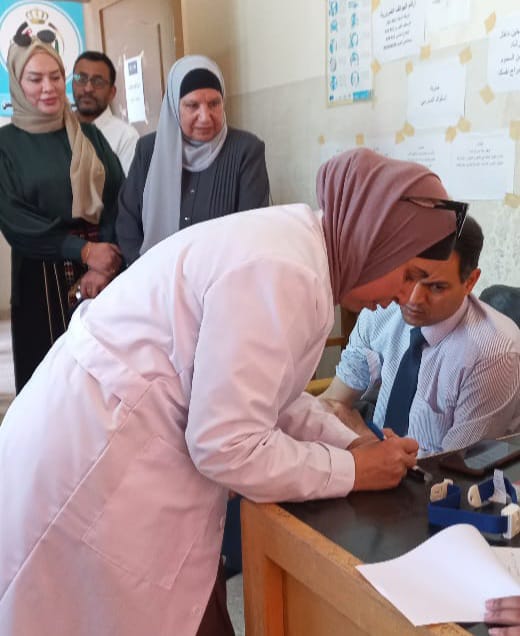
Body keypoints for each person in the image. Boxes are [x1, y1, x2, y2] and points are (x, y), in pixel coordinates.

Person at [0, 149, 462, 635]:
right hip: (93, 460)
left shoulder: (300, 246)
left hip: (94, 433)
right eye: (408, 274)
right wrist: (353, 470)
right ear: (375, 239)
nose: (405, 297)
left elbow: (268, 394)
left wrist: (353, 444)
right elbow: (225, 445)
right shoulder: (286, 270)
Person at [320, 216, 520, 455]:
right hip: (375, 454)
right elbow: (334, 402)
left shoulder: (494, 353)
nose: (412, 299)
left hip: (439, 474)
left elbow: (456, 467)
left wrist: (365, 438)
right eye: (408, 277)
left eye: (436, 287)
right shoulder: (381, 310)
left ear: (470, 282)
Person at [0, 28, 124, 393]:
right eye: (35, 79)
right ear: (17, 82)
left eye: (55, 77)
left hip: (103, 272)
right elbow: (15, 221)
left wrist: (105, 260)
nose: (48, 88)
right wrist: (82, 250)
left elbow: (119, 197)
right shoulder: (6, 145)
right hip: (40, 279)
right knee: (50, 384)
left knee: (103, 379)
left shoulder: (89, 135)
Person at [116, 54, 270, 265]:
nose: (205, 117)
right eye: (192, 105)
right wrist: (147, 269)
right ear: (174, 107)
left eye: (214, 103)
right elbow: (127, 221)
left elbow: (251, 227)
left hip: (221, 274)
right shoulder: (149, 150)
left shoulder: (246, 150)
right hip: (155, 273)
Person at [73, 50, 139, 175]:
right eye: (81, 79)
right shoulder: (58, 129)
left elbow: (127, 186)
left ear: (112, 92)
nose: (88, 88)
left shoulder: (126, 137)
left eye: (98, 82)